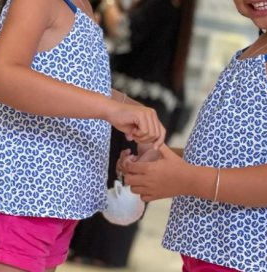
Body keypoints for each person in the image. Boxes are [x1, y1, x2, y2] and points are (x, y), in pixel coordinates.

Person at [118, 0, 267, 271]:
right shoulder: (261, 48)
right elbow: (234, 157)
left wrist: (186, 178)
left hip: (251, 261)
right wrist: (166, 163)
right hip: (209, 253)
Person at [0, 0, 166, 271]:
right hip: (19, 196)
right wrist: (110, 109)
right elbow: (3, 74)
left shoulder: (84, 8)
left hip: (56, 202)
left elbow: (77, 83)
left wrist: (132, 110)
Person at [69, 0, 196, 267]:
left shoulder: (159, 6)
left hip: (136, 106)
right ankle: (101, 252)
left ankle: (96, 252)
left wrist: (108, 4)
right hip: (153, 105)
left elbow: (124, 33)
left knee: (118, 177)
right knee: (126, 178)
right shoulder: (176, 8)